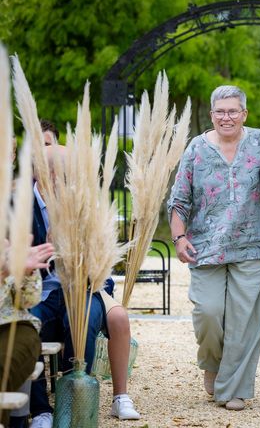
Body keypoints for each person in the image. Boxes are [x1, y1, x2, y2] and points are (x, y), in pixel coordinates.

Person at [168, 85, 260, 411]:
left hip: (253, 244)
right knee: (207, 313)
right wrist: (179, 239)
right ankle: (212, 363)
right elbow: (179, 201)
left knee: (244, 320)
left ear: (244, 114)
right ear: (211, 115)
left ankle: (235, 388)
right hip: (206, 246)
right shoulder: (196, 148)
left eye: (233, 110)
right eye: (220, 111)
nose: (227, 117)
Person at [29, 144, 139, 428]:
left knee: (86, 317)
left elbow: (103, 264)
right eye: (67, 173)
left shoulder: (85, 205)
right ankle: (41, 410)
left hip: (81, 289)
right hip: (37, 293)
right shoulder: (18, 205)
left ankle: (73, 398)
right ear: (45, 173)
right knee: (26, 324)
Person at [0, 242, 55, 428]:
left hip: (12, 325)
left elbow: (29, 300)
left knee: (9, 356)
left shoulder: (7, 245)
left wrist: (26, 273)